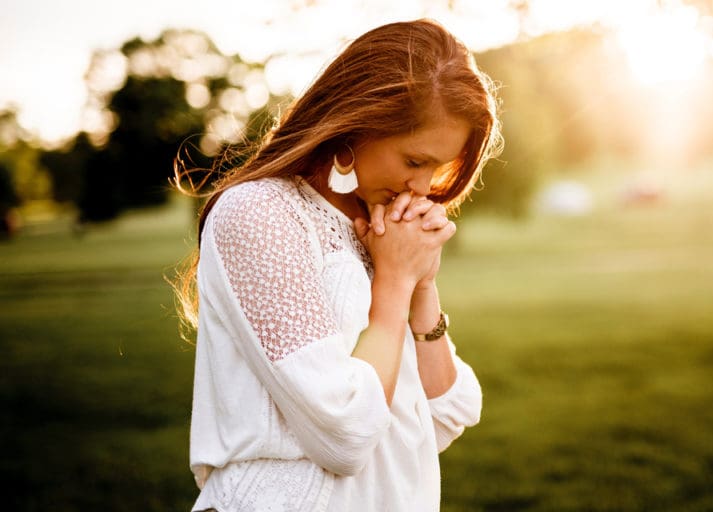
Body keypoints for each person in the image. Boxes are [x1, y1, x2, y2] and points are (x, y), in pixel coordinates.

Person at [172, 19, 502, 511]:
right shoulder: (262, 214)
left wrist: (421, 284)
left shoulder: (378, 228)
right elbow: (345, 431)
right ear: (356, 125)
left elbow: (445, 414)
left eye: (437, 168)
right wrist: (393, 284)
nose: (423, 187)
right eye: (414, 161)